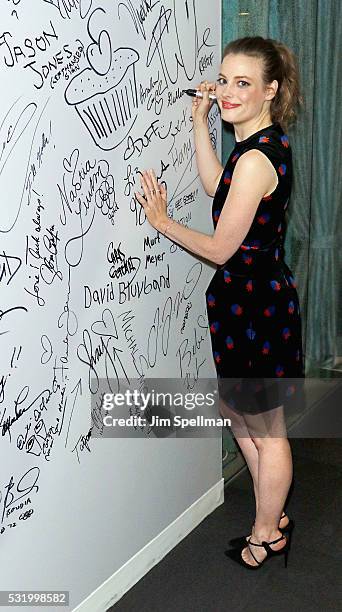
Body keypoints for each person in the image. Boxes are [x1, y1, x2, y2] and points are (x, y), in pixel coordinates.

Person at [135, 36, 305, 570]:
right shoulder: (251, 146)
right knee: (239, 412)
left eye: (243, 83)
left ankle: (265, 532)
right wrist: (198, 122)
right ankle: (270, 515)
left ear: (271, 91)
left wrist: (162, 222)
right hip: (239, 303)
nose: (228, 91)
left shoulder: (258, 158)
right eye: (225, 79)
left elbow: (219, 247)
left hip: (259, 307)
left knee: (267, 427)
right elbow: (217, 187)